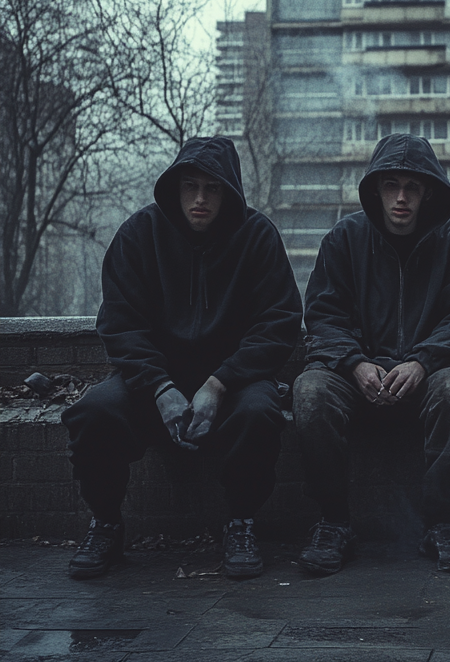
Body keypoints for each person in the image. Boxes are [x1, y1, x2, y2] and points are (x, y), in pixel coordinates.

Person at [62, 137, 302, 580]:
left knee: (259, 413)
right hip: (153, 381)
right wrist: (159, 386)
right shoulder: (139, 235)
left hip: (234, 383)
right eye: (190, 185)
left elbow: (280, 321)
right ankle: (107, 525)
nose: (199, 198)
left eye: (212, 188)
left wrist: (220, 382)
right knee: (93, 412)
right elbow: (119, 324)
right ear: (174, 187)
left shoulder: (256, 235)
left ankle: (242, 522)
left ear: (228, 191)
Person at [292, 133, 450, 575]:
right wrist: (355, 363)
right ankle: (333, 522)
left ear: (428, 192)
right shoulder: (345, 238)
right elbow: (323, 316)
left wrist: (423, 361)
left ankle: (441, 523)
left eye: (412, 187)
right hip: (353, 372)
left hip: (431, 371)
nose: (401, 198)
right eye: (390, 186)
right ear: (375, 190)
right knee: (310, 393)